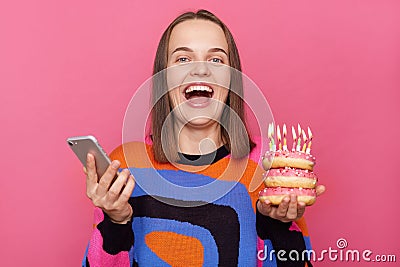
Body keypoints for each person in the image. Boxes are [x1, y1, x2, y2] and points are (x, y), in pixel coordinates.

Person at [82, 9, 325, 267]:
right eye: (183, 59)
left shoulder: (266, 166)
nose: (200, 69)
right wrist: (116, 222)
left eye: (216, 60)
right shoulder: (127, 166)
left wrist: (276, 225)